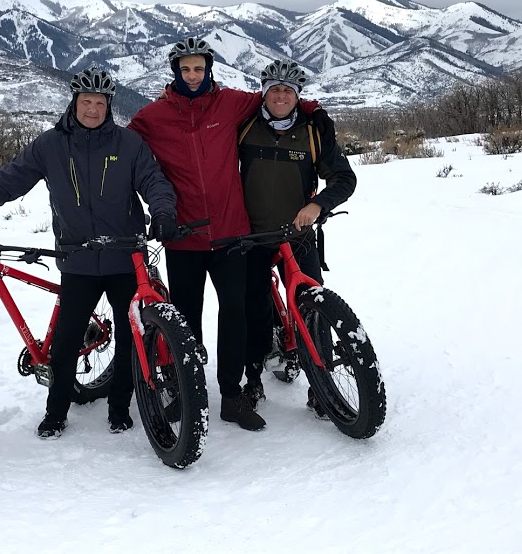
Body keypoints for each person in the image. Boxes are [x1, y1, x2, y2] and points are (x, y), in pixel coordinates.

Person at [0, 68, 178, 439]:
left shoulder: (128, 144)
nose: (92, 109)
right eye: (86, 102)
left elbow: (154, 182)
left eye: (100, 103)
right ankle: (56, 412)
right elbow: (5, 183)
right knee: (65, 341)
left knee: (129, 337)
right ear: (73, 103)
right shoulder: (51, 146)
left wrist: (163, 212)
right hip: (77, 259)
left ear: (109, 106)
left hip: (125, 255)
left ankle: (119, 408)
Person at [128, 37, 317, 431]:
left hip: (232, 234)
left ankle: (231, 394)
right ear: (175, 71)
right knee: (187, 319)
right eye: (186, 69)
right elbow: (123, 150)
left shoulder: (230, 103)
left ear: (209, 69)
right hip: (184, 234)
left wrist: (316, 111)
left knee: (235, 314)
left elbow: (277, 102)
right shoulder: (152, 117)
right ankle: (186, 388)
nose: (193, 75)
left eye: (199, 68)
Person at [238, 60, 357, 418]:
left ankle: (319, 386)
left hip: (299, 236)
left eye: (288, 91)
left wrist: (318, 205)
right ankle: (253, 380)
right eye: (274, 89)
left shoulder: (312, 132)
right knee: (251, 311)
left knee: (312, 312)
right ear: (263, 92)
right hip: (253, 237)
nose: (280, 96)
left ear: (297, 96)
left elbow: (343, 178)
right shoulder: (243, 128)